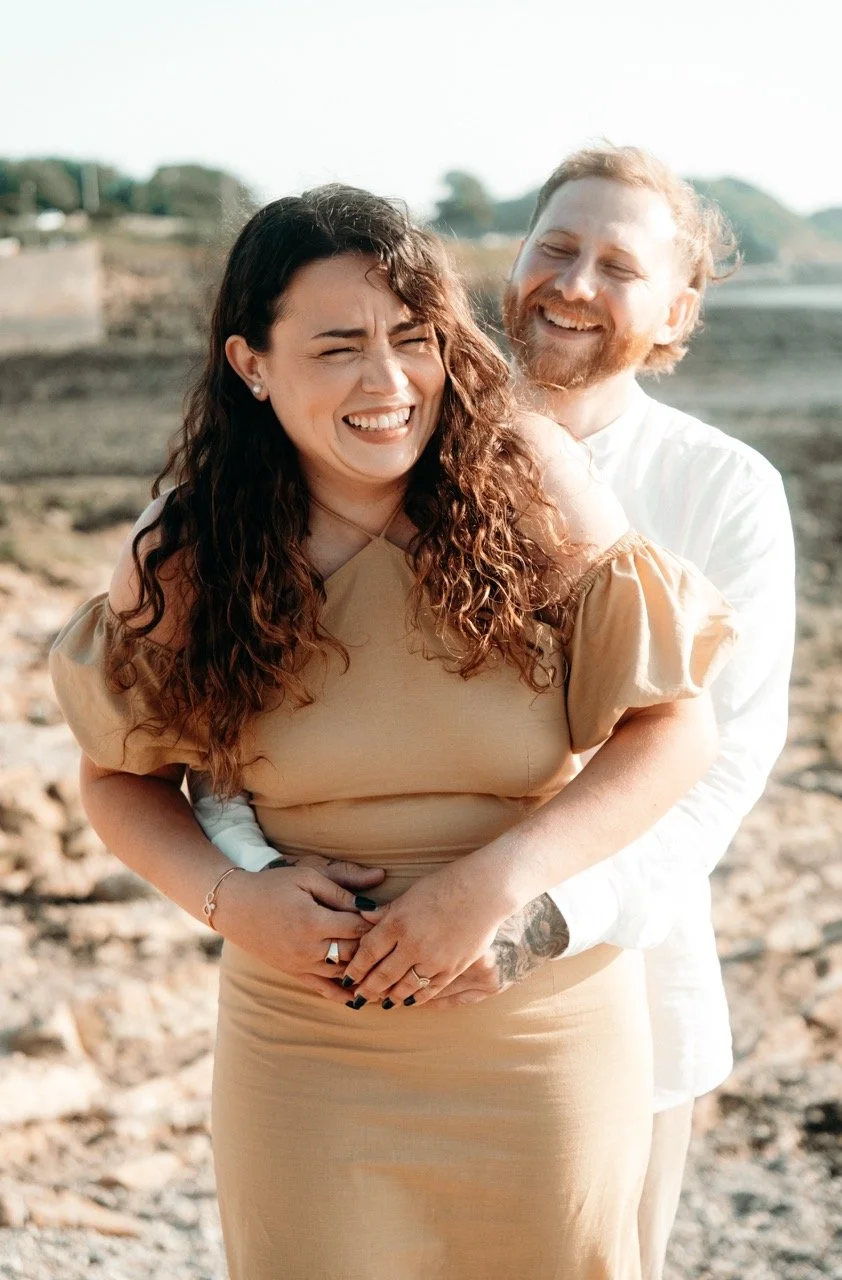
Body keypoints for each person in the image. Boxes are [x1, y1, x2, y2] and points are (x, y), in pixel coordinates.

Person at [50, 185, 736, 1280]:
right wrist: (233, 901)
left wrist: (497, 885)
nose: (388, 382)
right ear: (250, 363)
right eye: (338, 347)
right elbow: (117, 781)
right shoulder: (186, 549)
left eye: (412, 338)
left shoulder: (531, 483)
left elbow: (674, 731)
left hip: (538, 1033)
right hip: (306, 1041)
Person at [496, 145, 795, 1278]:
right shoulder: (396, 452)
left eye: (619, 267)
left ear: (676, 310)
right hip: (391, 987)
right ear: (515, 262)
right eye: (556, 247)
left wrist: (537, 917)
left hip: (625, 974)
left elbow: (725, 763)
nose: (573, 283)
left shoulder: (726, 488)